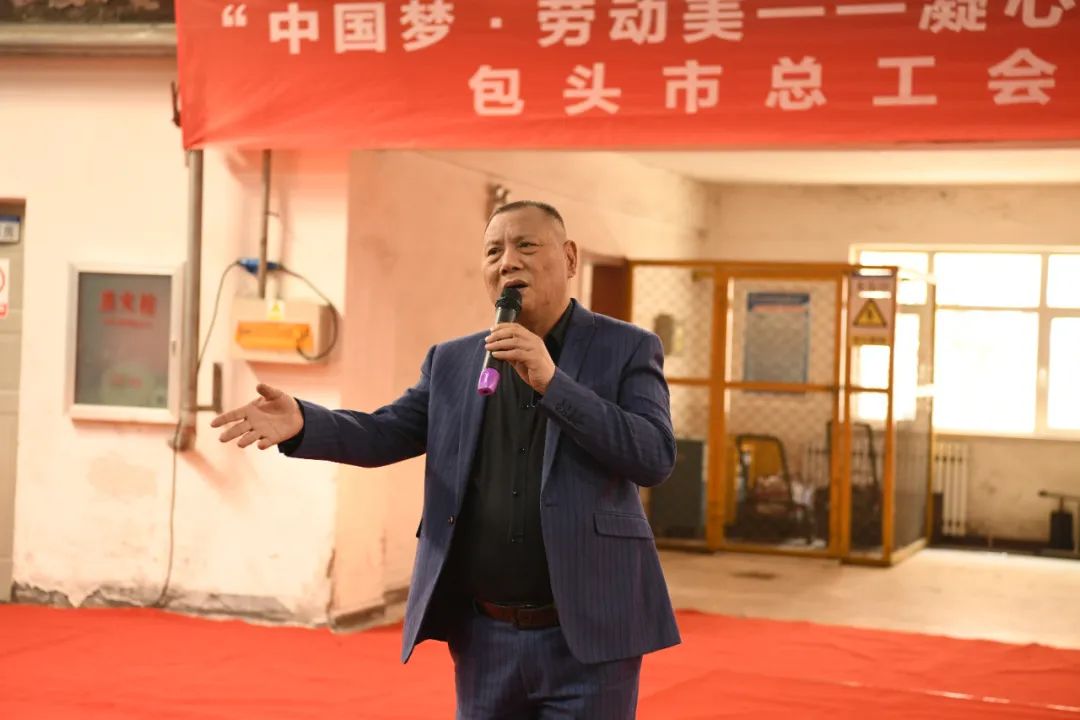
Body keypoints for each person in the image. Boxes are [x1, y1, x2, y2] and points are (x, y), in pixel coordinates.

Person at [211, 200, 681, 719]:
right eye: (493, 251)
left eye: (526, 245)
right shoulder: (454, 360)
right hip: (485, 637)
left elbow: (653, 455)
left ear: (569, 258)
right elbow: (384, 433)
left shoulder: (627, 348)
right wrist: (305, 421)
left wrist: (554, 383)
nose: (508, 261)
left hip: (590, 635)